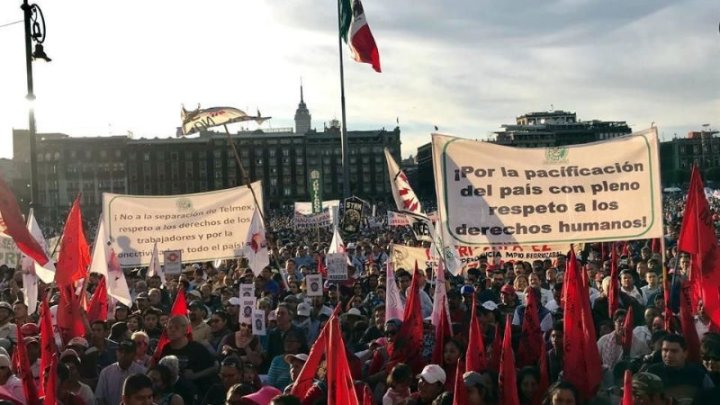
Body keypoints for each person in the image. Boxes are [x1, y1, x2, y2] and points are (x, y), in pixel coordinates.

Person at [646, 334, 715, 402]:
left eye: (674, 351)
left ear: (685, 353)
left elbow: (713, 399)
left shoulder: (699, 375)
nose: (668, 355)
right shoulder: (652, 373)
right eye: (665, 350)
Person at [160, 315, 218, 394]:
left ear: (185, 330)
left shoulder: (197, 348)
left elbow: (214, 367)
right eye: (170, 327)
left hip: (194, 392)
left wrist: (195, 375)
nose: (172, 330)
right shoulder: (164, 349)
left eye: (176, 327)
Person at [95, 340, 147, 405]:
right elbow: (99, 398)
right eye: (121, 351)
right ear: (116, 352)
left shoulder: (141, 372)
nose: (123, 355)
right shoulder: (106, 372)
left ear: (134, 354)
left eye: (127, 352)